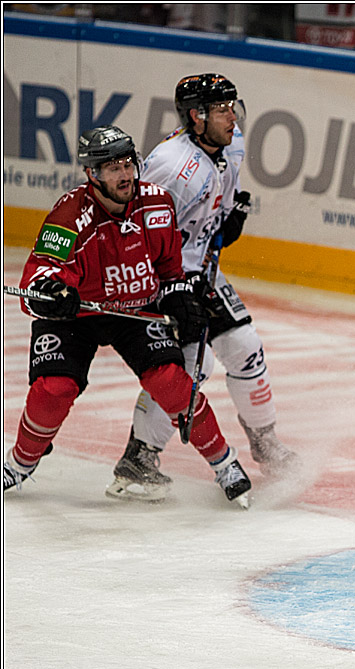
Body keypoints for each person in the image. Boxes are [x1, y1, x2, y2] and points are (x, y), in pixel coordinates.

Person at [3, 126, 251, 506]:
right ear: (92, 174)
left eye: (127, 164)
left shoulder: (157, 203)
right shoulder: (70, 214)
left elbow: (169, 268)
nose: (124, 174)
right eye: (111, 167)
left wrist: (179, 296)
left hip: (133, 311)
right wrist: (53, 294)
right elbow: (39, 276)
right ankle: (20, 463)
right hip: (78, 313)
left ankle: (224, 462)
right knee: (54, 389)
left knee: (172, 381)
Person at [106, 73, 299, 502]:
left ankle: (265, 442)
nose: (233, 116)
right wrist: (167, 291)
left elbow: (218, 207)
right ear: (196, 116)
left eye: (234, 106)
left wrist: (226, 223)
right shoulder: (170, 168)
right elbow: (135, 230)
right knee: (191, 367)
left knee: (246, 346)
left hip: (202, 272)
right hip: (164, 277)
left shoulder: (232, 144)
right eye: (222, 109)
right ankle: (138, 458)